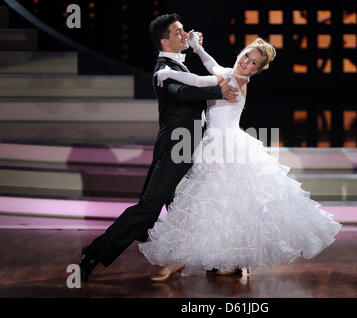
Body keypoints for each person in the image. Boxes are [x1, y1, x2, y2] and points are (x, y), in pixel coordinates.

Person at [138, 33, 342, 282]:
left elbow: (199, 80)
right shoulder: (228, 73)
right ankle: (225, 259)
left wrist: (168, 74)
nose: (247, 62)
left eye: (254, 63)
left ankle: (184, 259)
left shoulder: (234, 79)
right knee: (220, 205)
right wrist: (196, 48)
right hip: (216, 144)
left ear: (257, 71)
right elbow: (211, 64)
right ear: (240, 53)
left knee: (214, 203)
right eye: (246, 56)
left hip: (227, 147)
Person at [78, 13, 239, 282]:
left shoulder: (178, 65)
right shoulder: (162, 69)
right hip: (175, 148)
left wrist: (199, 51)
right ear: (165, 40)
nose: (184, 34)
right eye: (178, 32)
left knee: (192, 205)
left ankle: (213, 258)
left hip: (188, 146)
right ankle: (93, 252)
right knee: (148, 209)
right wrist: (217, 92)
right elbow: (183, 93)